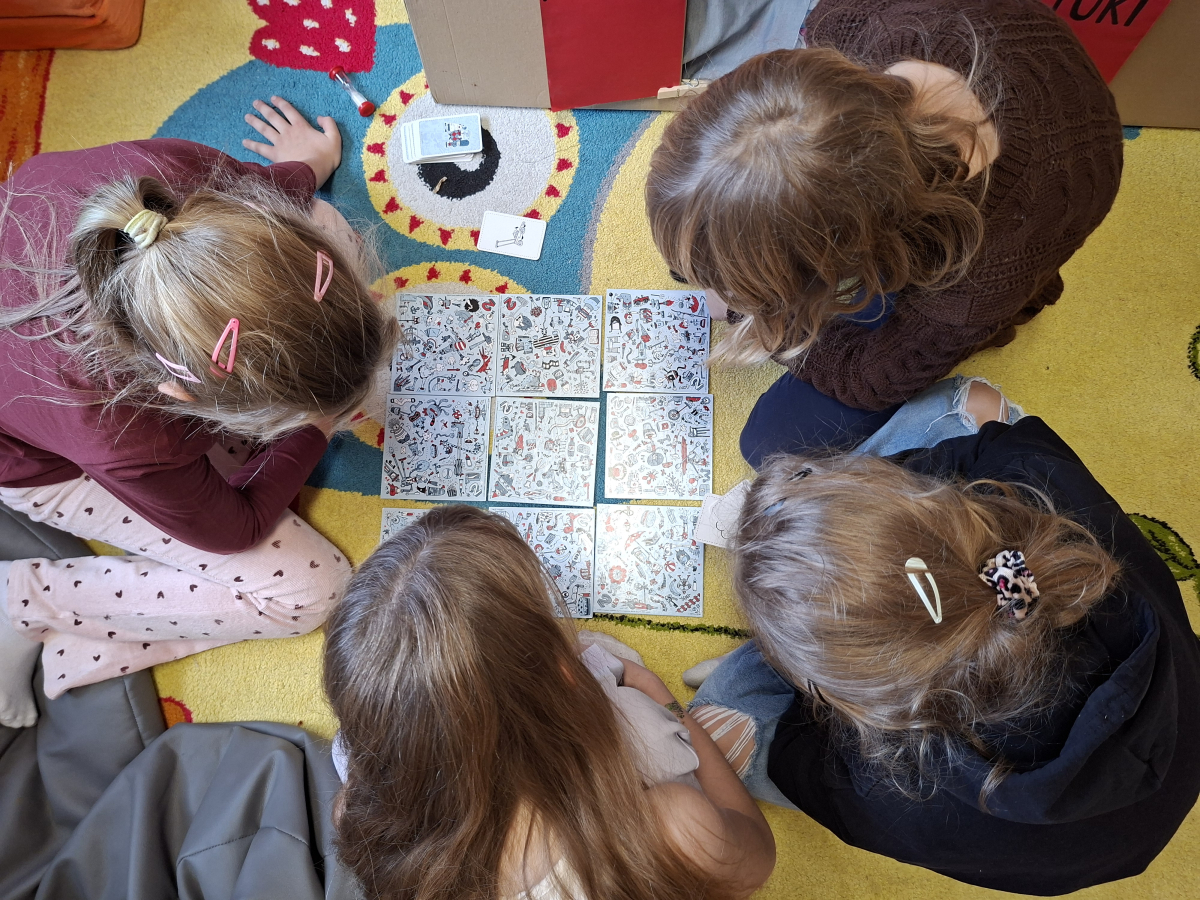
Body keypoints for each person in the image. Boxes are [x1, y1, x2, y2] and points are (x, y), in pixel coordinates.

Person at [0, 96, 399, 728]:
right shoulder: (131, 438)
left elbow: (271, 207)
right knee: (311, 589)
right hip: (40, 463)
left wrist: (299, 172)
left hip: (103, 356)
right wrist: (318, 426)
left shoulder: (172, 185)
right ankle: (27, 600)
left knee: (325, 218)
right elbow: (233, 528)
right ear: (186, 399)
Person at [688, 409, 1200, 894]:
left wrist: (805, 656)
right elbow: (995, 443)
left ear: (858, 702)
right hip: (1178, 725)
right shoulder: (1046, 483)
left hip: (1058, 811)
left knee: (719, 708)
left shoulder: (896, 790)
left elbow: (801, 765)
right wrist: (867, 529)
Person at [645, 0, 1123, 466]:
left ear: (849, 255)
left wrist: (757, 317)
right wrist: (738, 279)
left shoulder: (981, 270)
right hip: (916, 179)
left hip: (1000, 232)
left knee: (770, 444)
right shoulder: (846, 20)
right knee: (713, 239)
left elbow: (874, 378)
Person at [323, 505, 776, 900]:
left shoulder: (354, 811)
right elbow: (757, 854)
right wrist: (665, 700)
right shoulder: (672, 823)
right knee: (755, 672)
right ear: (566, 672)